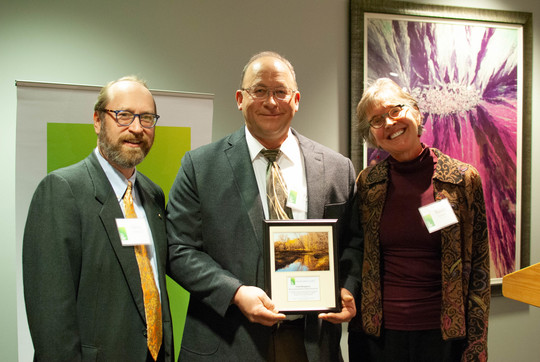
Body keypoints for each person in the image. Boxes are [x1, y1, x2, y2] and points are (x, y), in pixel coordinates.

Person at [166, 51, 362, 361]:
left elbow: (355, 243)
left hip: (310, 343)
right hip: (228, 341)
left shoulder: (338, 168)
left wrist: (347, 287)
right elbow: (178, 248)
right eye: (259, 90)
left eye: (280, 91)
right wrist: (236, 293)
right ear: (240, 98)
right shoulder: (200, 167)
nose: (271, 101)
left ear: (295, 99)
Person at [23, 76, 173, 361]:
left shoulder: (154, 196)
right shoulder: (62, 190)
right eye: (124, 115)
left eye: (147, 118)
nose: (137, 128)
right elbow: (51, 316)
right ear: (97, 120)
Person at [348, 78, 490, 361]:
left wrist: (476, 344)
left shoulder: (462, 179)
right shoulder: (368, 184)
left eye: (395, 110)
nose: (389, 123)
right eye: (376, 120)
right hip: (378, 336)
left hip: (443, 335)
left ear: (417, 113)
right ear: (372, 135)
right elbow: (359, 252)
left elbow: (479, 269)